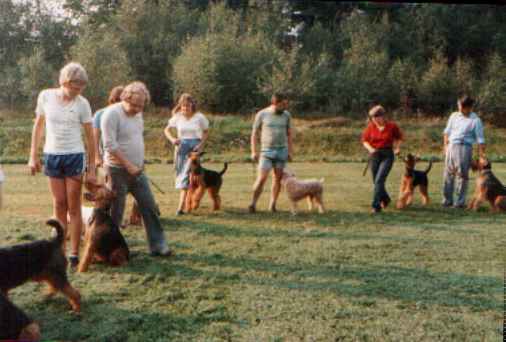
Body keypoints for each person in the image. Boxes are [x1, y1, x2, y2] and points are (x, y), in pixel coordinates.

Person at [28, 62, 96, 268]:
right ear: (64, 82)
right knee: (59, 204)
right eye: (75, 87)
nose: (78, 92)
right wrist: (33, 155)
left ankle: (74, 253)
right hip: (52, 155)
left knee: (73, 206)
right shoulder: (46, 96)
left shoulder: (82, 103)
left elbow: (90, 137)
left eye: (81, 88)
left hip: (74, 155)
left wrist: (92, 167)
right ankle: (59, 251)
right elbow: (38, 127)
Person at [101, 81, 171, 256]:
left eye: (141, 106)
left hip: (138, 171)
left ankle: (158, 246)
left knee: (149, 207)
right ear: (125, 97)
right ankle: (110, 249)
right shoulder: (111, 114)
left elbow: (136, 139)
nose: (138, 109)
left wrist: (139, 164)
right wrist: (128, 165)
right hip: (116, 170)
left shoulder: (138, 114)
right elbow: (110, 145)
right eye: (134, 105)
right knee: (115, 213)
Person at [164, 93, 209, 215]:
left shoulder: (199, 117)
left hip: (195, 148)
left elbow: (206, 132)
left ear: (192, 106)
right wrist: (173, 139)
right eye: (183, 106)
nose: (185, 109)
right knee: (182, 175)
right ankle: (184, 206)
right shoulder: (177, 117)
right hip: (181, 147)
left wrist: (200, 145)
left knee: (191, 176)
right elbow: (166, 130)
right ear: (180, 106)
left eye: (187, 106)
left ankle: (182, 207)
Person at [249, 93, 293, 213]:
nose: (285, 106)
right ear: (275, 103)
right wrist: (253, 151)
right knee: (262, 178)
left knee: (277, 179)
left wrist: (290, 151)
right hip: (266, 151)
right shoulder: (262, 114)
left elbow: (289, 134)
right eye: (283, 104)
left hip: (281, 151)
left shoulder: (287, 115)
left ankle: (272, 205)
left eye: (286, 104)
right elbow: (254, 134)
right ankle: (252, 204)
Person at [442, 95, 485, 208]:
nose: (459, 108)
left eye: (461, 106)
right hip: (451, 146)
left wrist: (481, 156)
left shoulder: (475, 120)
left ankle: (459, 202)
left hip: (464, 147)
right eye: (458, 105)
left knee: (462, 175)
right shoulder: (454, 116)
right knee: (448, 174)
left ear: (469, 107)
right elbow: (447, 131)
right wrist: (445, 146)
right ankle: (447, 200)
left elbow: (480, 140)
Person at [361, 105, 403, 213]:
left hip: (387, 155)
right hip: (375, 155)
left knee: (379, 180)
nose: (374, 120)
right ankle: (386, 199)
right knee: (376, 181)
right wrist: (370, 149)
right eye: (372, 118)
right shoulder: (371, 127)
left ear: (382, 116)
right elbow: (364, 140)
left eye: (376, 117)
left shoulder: (392, 126)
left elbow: (399, 138)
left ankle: (376, 206)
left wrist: (397, 148)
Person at [92, 86, 124, 168]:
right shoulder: (100, 114)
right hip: (107, 156)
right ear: (112, 99)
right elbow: (95, 139)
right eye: (117, 100)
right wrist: (97, 157)